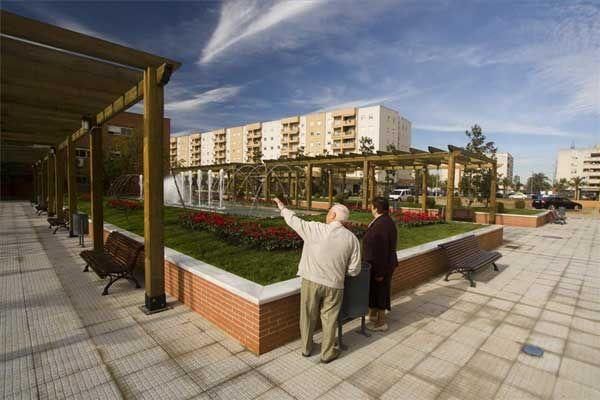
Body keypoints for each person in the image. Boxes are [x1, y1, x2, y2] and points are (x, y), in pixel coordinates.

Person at [273, 197, 361, 363]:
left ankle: (306, 349)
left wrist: (282, 207)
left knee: (307, 315)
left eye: (329, 213)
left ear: (333, 215)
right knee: (330, 319)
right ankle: (327, 353)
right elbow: (354, 270)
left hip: (311, 281)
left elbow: (293, 220)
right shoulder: (352, 239)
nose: (326, 216)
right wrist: (343, 272)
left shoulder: (314, 228)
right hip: (335, 285)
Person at [363, 197, 397, 331]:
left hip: (381, 266)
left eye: (372, 206)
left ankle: (381, 322)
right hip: (380, 264)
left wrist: (380, 272)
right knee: (375, 291)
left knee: (381, 292)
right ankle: (373, 314)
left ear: (376, 208)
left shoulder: (382, 225)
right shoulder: (385, 221)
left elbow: (382, 249)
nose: (371, 208)